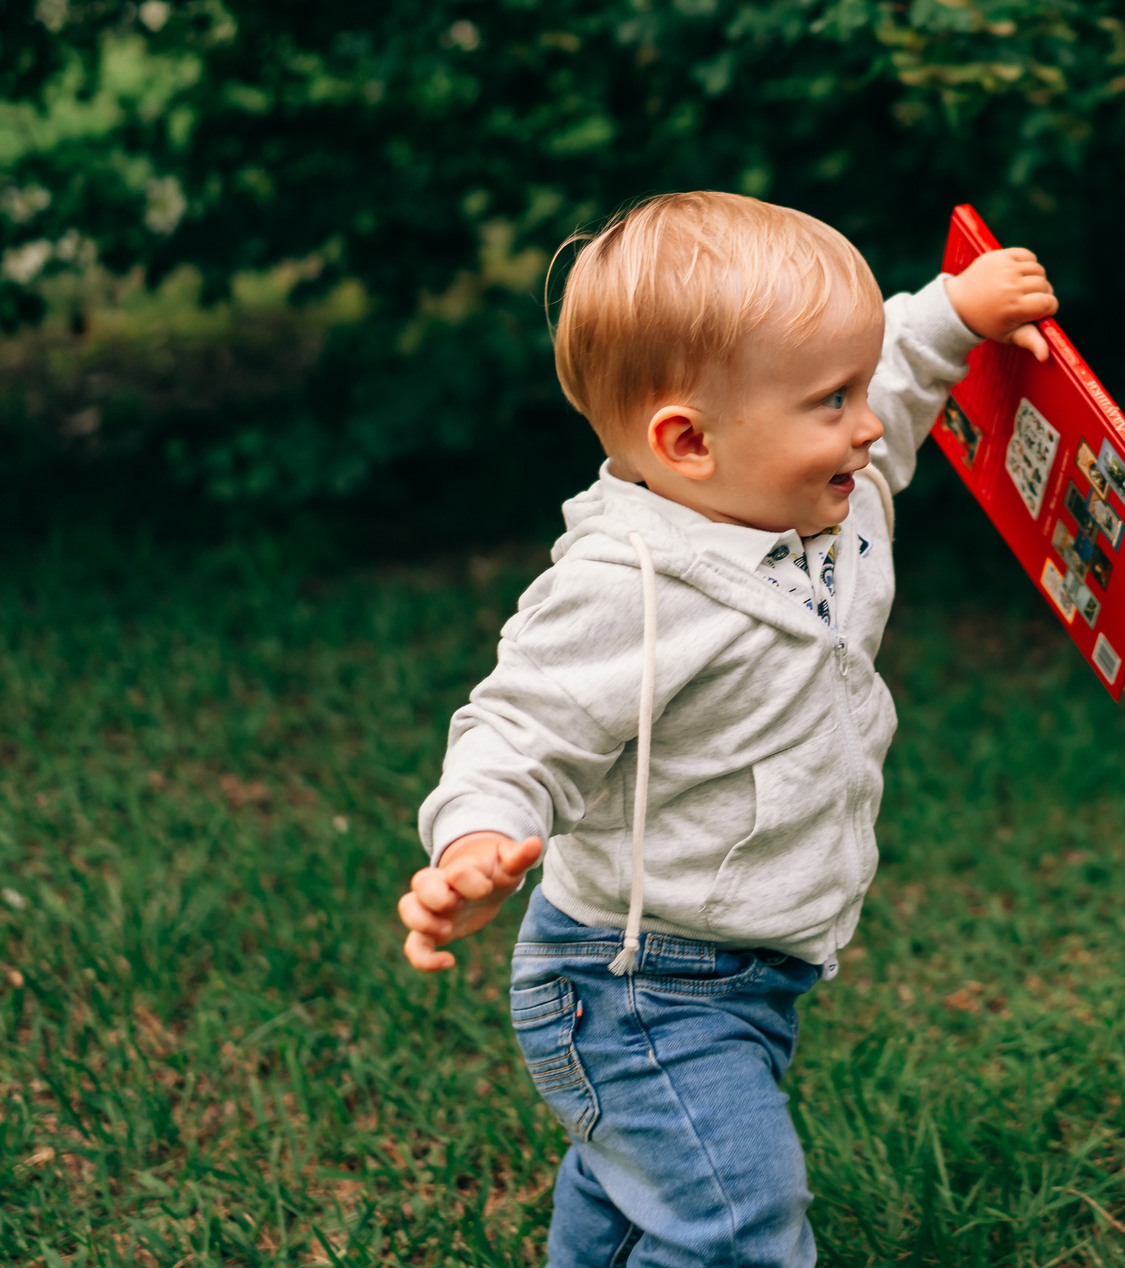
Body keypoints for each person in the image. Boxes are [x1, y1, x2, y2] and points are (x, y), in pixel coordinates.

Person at [395, 191, 1057, 1268]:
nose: (868, 422)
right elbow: (518, 727)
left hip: (752, 964)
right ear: (689, 441)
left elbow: (891, 371)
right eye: (830, 400)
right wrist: (474, 840)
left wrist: (952, 313)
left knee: (645, 1187)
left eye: (857, 389)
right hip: (632, 984)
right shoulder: (630, 584)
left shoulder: (818, 494)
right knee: (737, 1223)